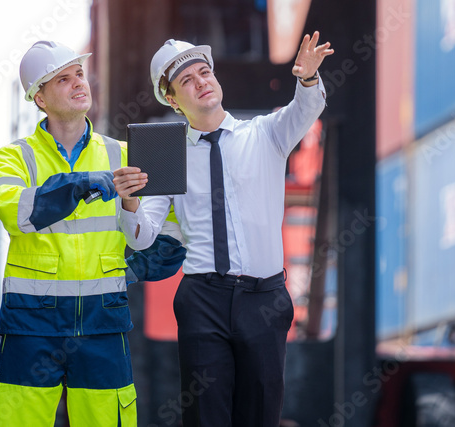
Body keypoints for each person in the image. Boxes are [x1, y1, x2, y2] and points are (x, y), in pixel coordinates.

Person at [116, 31, 333, 427]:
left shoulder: (266, 134)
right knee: (205, 418)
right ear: (172, 99)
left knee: (260, 415)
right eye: (187, 80)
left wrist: (306, 78)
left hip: (263, 298)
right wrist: (129, 203)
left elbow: (306, 108)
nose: (201, 82)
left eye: (204, 72)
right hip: (203, 300)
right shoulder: (166, 151)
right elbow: (141, 237)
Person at [0, 40, 185, 427]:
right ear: (40, 98)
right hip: (32, 327)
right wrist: (80, 185)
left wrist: (129, 268)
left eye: (79, 73)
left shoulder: (127, 155)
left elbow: (174, 231)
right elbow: (19, 211)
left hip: (102, 324)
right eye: (63, 78)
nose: (79, 83)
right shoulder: (13, 158)